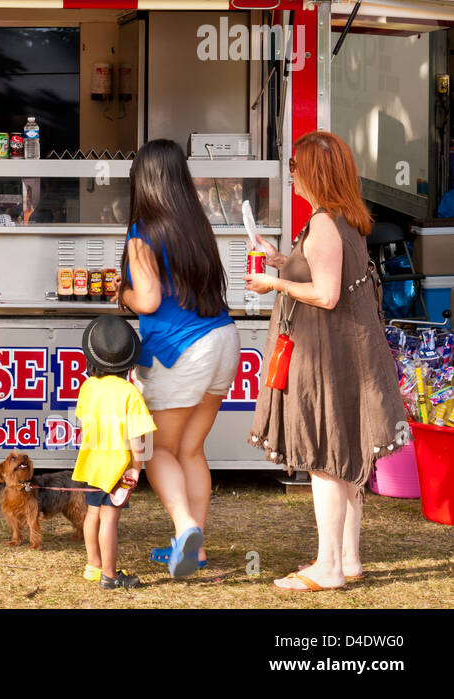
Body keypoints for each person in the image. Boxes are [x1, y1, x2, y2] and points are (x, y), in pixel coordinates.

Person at [246, 132, 408, 592]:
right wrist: (283, 261)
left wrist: (273, 284)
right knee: (346, 456)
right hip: (348, 354)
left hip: (329, 360)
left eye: (295, 167)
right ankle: (348, 560)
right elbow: (323, 272)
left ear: (311, 172)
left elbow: (326, 293)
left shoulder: (322, 223)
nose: (291, 174)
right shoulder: (345, 218)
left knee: (326, 460)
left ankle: (329, 567)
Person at [116, 138, 238, 578]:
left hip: (180, 350)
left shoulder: (143, 232)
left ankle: (185, 528)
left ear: (142, 181)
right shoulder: (197, 224)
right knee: (190, 449)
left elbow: (147, 300)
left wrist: (122, 293)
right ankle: (195, 550)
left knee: (157, 450)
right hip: (223, 339)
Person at [73, 315, 156, 590]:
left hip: (91, 463)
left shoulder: (87, 387)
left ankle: (93, 566)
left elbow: (85, 425)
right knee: (110, 519)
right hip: (116, 467)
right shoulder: (130, 393)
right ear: (128, 361)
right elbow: (137, 437)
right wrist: (136, 467)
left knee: (92, 513)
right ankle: (110, 576)